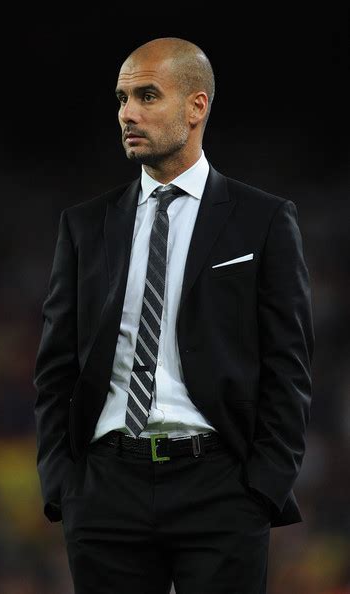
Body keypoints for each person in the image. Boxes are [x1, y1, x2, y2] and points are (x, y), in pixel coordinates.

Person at [33, 37, 315, 594]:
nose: (127, 113)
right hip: (106, 486)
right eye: (121, 99)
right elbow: (55, 369)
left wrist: (262, 485)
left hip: (220, 483)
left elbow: (291, 366)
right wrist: (63, 482)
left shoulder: (263, 220)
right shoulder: (85, 226)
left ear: (196, 107)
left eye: (147, 95)